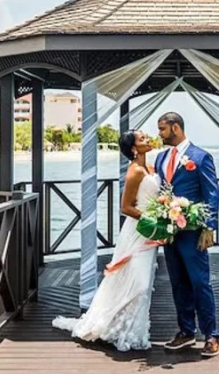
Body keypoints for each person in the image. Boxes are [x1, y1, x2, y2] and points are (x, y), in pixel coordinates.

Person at [52, 130, 160, 351]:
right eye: (142, 139)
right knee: (137, 281)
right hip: (137, 231)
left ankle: (135, 330)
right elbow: (126, 207)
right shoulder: (135, 172)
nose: (148, 140)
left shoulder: (152, 168)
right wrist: (151, 218)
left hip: (151, 231)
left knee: (146, 280)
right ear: (132, 148)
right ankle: (113, 326)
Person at [155, 111, 219, 358]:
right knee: (178, 283)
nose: (159, 133)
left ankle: (212, 334)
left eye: (162, 128)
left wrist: (209, 226)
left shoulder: (201, 157)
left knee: (200, 282)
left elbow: (212, 194)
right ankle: (186, 331)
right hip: (170, 232)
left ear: (175, 127)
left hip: (193, 232)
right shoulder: (161, 157)